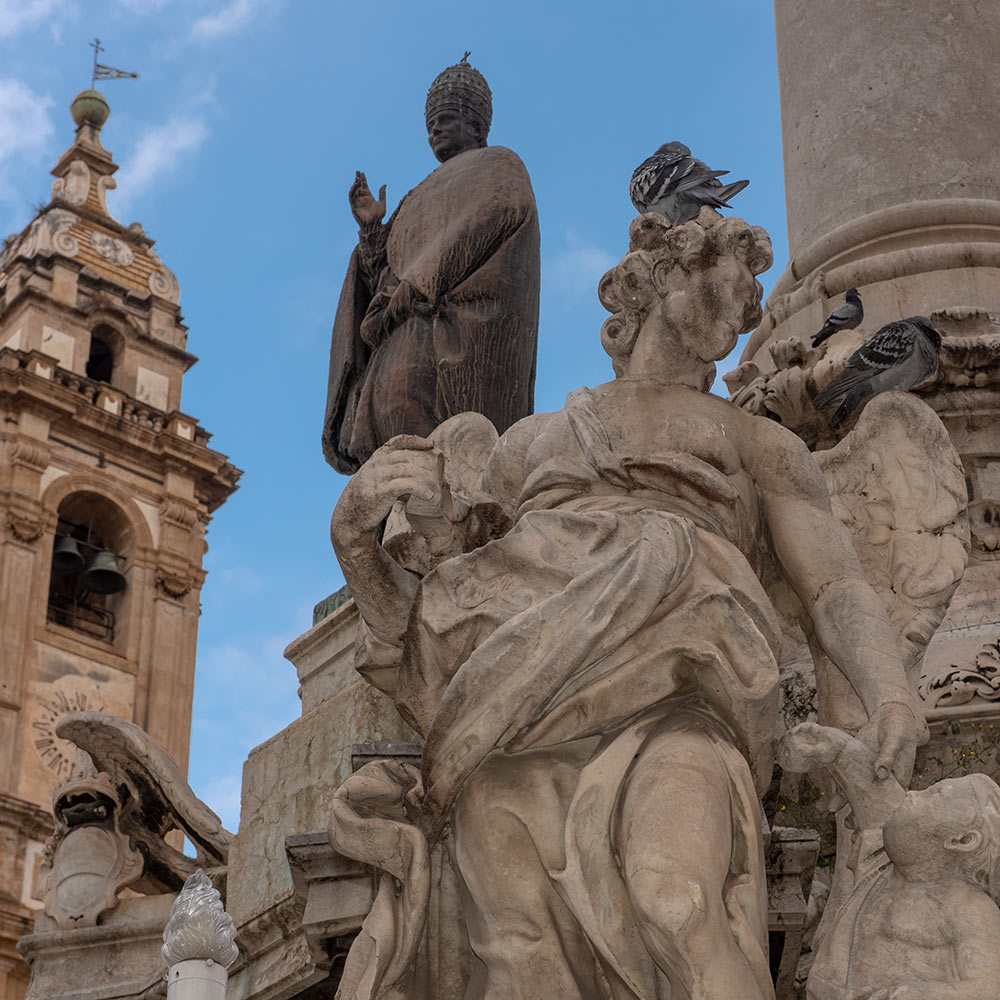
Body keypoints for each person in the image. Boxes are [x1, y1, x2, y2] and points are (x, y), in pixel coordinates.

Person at [329, 209, 925, 1000]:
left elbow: (835, 584)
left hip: (685, 697)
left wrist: (889, 690)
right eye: (718, 270)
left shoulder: (757, 445)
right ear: (655, 279)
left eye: (749, 289)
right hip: (519, 713)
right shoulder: (533, 442)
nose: (742, 296)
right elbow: (433, 613)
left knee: (675, 896)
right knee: (520, 952)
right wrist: (354, 538)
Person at [322, 56, 540, 474]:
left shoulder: (499, 164)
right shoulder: (411, 199)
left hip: (445, 328)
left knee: (412, 410)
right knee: (386, 426)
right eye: (430, 125)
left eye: (446, 119)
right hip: (397, 330)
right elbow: (381, 274)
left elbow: (498, 213)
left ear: (475, 126)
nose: (435, 130)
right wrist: (371, 232)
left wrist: (421, 283)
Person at [780, 723, 1000, 1000]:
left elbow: (990, 987)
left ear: (962, 840)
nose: (911, 793)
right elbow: (875, 802)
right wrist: (839, 750)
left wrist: (924, 993)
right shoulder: (879, 869)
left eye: (935, 795)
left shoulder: (969, 908)